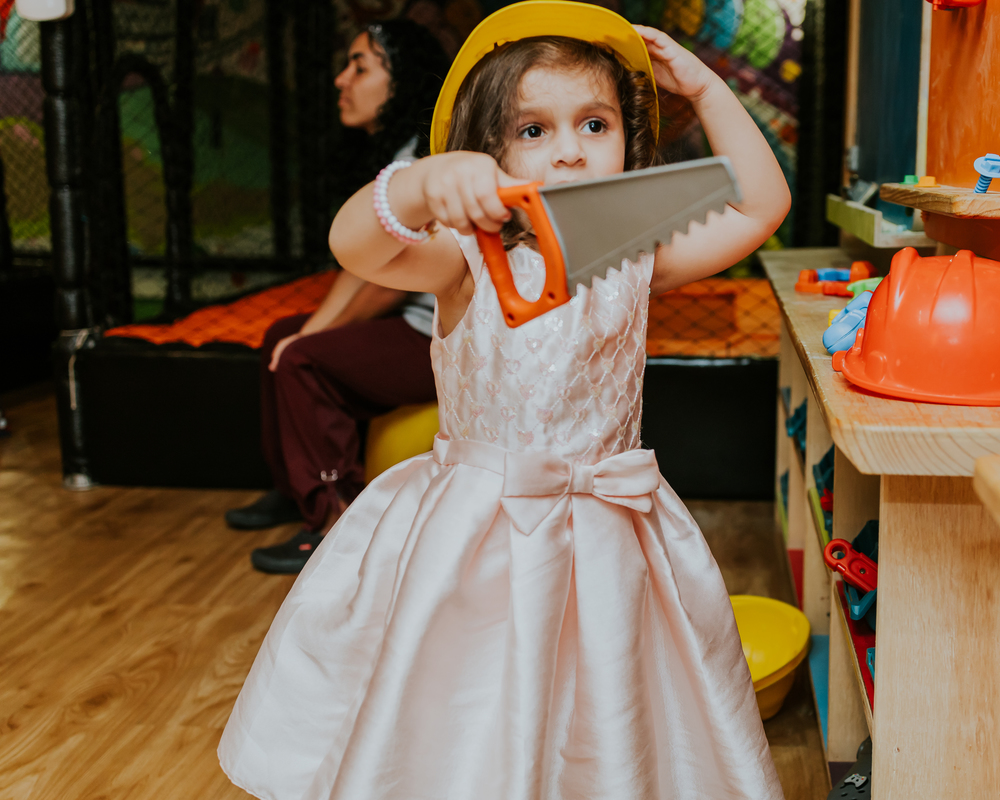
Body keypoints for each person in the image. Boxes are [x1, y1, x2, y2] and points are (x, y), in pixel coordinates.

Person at [219, 2, 791, 797]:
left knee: (603, 699)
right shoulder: (461, 259)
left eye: (595, 125)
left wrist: (704, 87)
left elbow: (761, 204)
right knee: (468, 701)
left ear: (628, 139)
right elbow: (354, 243)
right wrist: (421, 183)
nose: (568, 153)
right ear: (486, 151)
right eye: (533, 131)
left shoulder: (635, 251)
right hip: (480, 534)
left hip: (607, 526)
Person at [225, 19, 451, 575]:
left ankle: (333, 520)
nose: (340, 80)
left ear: (402, 82)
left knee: (301, 358)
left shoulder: (427, 157)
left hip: (439, 336)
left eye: (360, 66)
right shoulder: (399, 149)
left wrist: (314, 339)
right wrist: (308, 329)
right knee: (283, 336)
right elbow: (362, 264)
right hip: (408, 321)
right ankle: (293, 487)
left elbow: (383, 284)